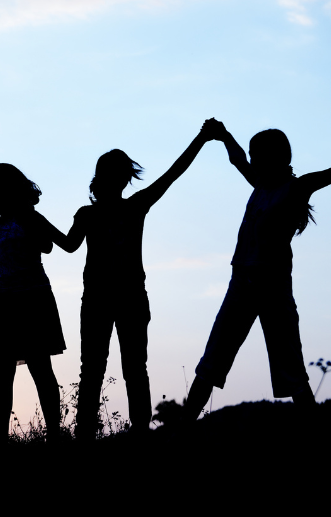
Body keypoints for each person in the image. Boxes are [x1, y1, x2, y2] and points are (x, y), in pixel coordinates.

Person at [60, 122, 215, 440]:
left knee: (112, 369)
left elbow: (173, 173)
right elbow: (67, 244)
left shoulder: (123, 208)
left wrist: (201, 138)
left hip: (120, 298)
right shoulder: (99, 213)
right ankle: (111, 433)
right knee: (114, 369)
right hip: (107, 299)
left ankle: (125, 432)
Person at [183, 121, 331, 420]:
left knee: (292, 370)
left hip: (272, 287)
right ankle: (179, 430)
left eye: (258, 156)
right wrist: (222, 134)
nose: (252, 161)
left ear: (275, 158)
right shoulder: (259, 185)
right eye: (252, 156)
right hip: (241, 283)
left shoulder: (295, 188)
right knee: (212, 361)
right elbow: (238, 159)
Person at [0, 164, 67, 444]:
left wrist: (29, 220)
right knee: (2, 373)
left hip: (33, 300)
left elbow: (48, 245)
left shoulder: (31, 218)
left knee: (41, 368)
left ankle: (55, 436)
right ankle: (1, 439)